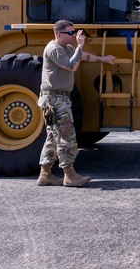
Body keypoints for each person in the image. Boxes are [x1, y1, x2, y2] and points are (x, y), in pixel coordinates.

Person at [37, 19, 116, 187]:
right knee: (66, 137)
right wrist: (80, 46)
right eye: (71, 33)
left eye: (75, 32)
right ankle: (70, 176)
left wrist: (103, 59)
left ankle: (45, 175)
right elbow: (71, 66)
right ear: (59, 34)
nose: (75, 35)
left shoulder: (67, 48)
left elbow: (84, 57)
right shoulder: (54, 49)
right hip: (55, 100)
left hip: (57, 98)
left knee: (52, 137)